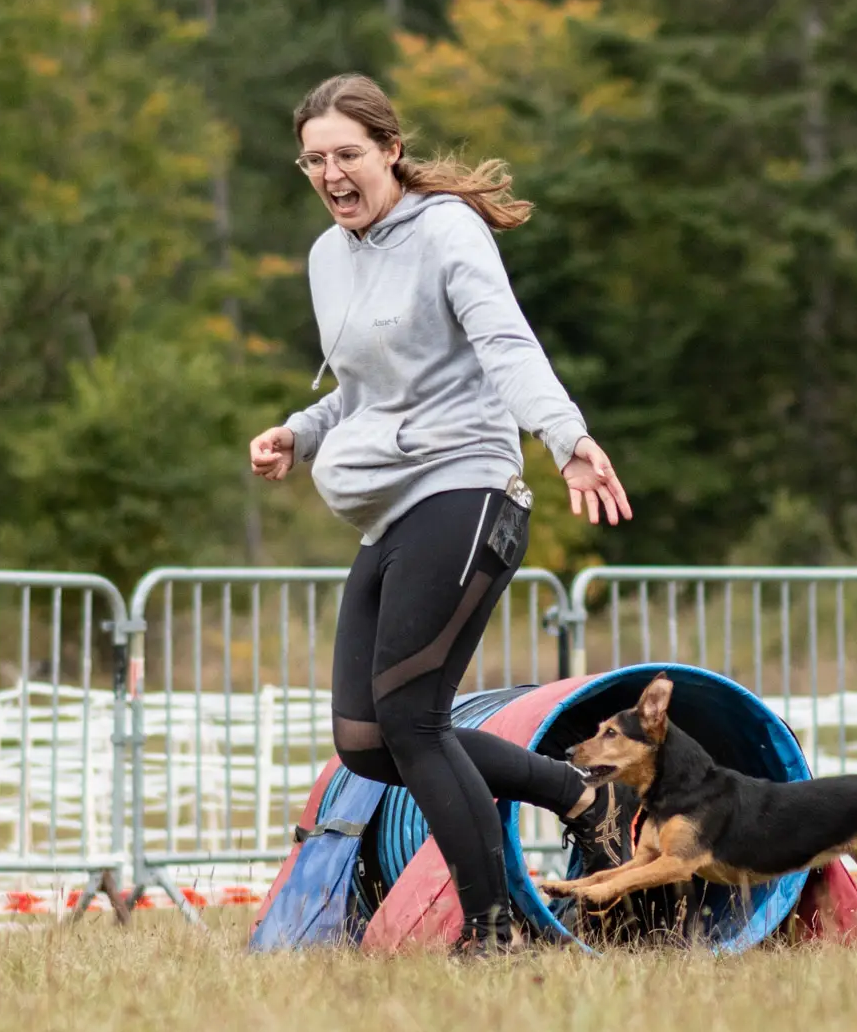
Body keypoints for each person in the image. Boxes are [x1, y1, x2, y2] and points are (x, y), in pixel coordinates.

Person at [248, 73, 634, 954]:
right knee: (364, 741)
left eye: (348, 154)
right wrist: (299, 435)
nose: (332, 174)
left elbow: (505, 343)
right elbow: (361, 390)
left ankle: (493, 928)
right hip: (389, 507)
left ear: (389, 149)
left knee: (415, 721)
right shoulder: (325, 258)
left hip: (467, 490)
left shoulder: (446, 231)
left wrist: (565, 436)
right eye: (314, 160)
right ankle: (582, 794)